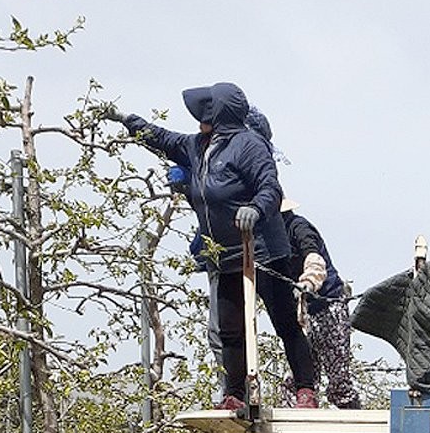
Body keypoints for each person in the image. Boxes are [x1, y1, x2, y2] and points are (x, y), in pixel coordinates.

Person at [107, 83, 318, 410]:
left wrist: (257, 208)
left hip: (262, 251)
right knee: (230, 330)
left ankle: (306, 389)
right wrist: (126, 119)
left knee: (285, 322)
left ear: (219, 115)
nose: (199, 119)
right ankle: (235, 395)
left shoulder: (249, 146)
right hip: (223, 254)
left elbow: (270, 187)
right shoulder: (196, 146)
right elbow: (161, 138)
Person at [243, 108, 360, 409]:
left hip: (328, 308)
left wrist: (308, 282)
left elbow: (314, 258)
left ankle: (354, 421)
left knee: (339, 383)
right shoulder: (266, 240)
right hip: (303, 313)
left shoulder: (297, 227)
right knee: (298, 381)